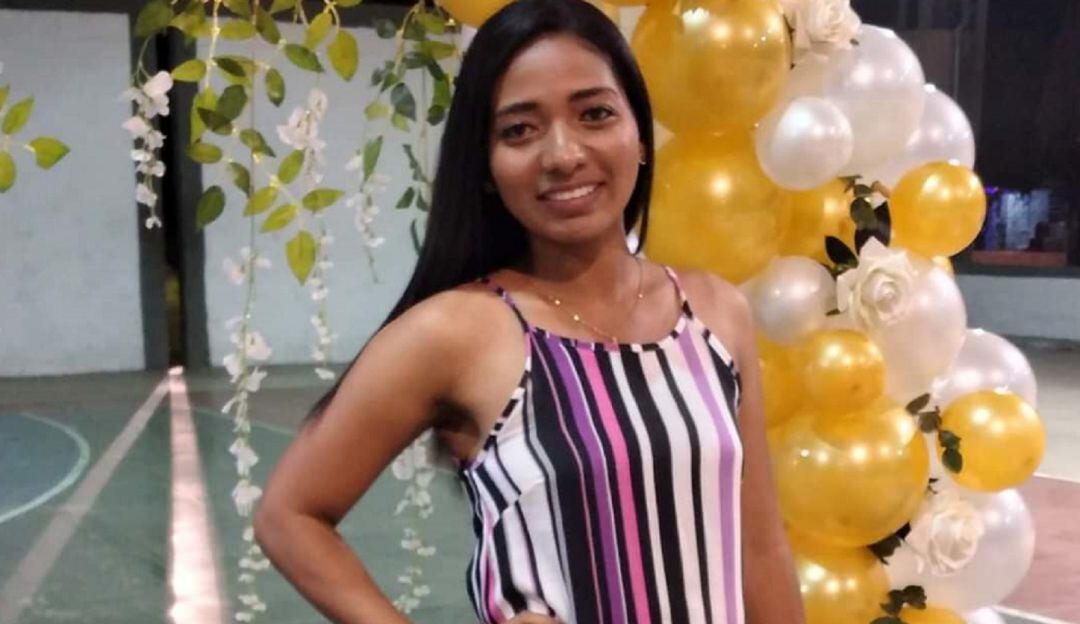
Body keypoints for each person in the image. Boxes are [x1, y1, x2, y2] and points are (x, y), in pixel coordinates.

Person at [253, 0, 804, 622]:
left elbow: (759, 549)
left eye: (595, 114)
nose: (563, 154)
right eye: (519, 130)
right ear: (486, 167)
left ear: (640, 135)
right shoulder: (460, 331)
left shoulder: (715, 314)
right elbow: (289, 515)